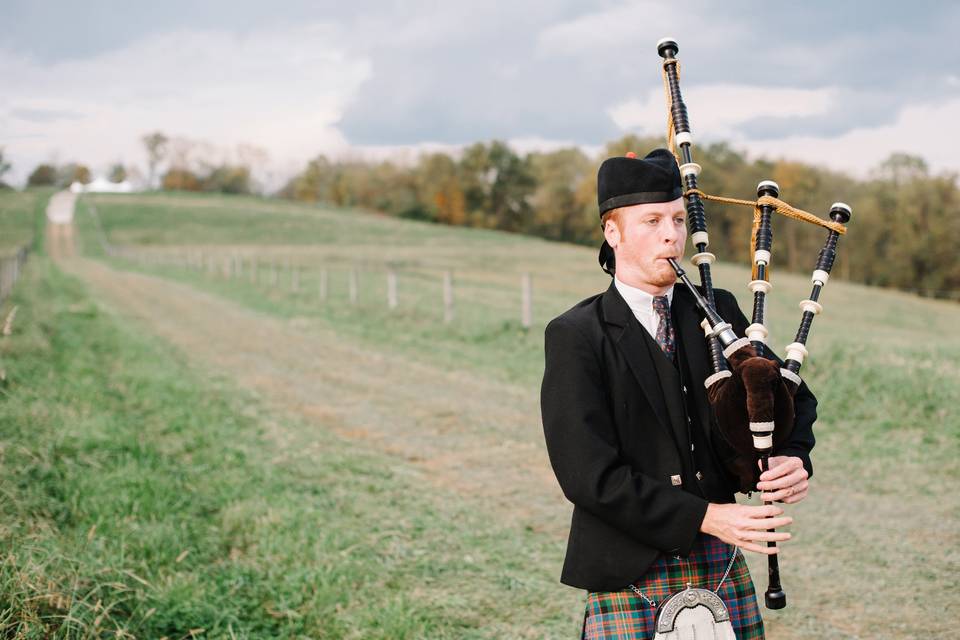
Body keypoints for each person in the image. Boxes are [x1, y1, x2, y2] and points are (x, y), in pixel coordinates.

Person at [539, 149, 817, 639]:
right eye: (651, 220)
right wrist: (706, 516)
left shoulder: (717, 312)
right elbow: (589, 477)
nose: (671, 234)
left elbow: (789, 398)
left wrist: (791, 456)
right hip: (628, 565)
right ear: (613, 231)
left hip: (718, 561)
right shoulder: (578, 335)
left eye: (677, 219)